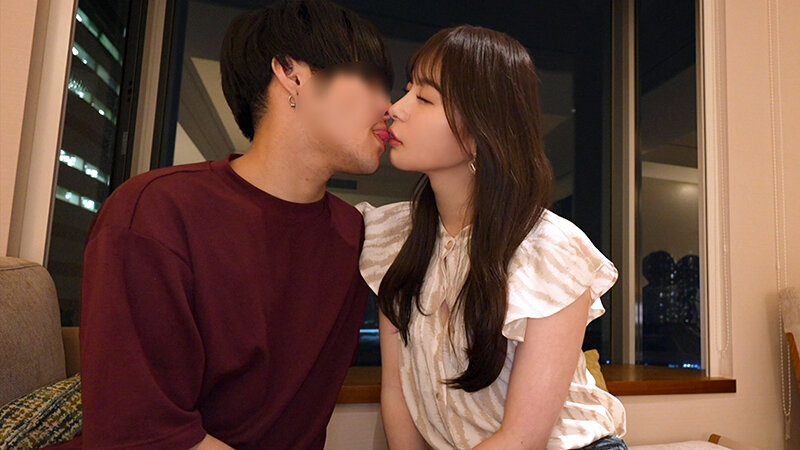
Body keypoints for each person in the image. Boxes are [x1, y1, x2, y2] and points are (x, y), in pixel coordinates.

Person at [73, 0, 393, 448]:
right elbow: (141, 434)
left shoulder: (356, 236)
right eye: (369, 79)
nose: (388, 105)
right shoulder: (156, 213)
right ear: (291, 73)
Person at [359, 25, 628, 449]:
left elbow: (523, 438)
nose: (396, 108)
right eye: (408, 90)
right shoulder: (396, 237)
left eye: (424, 99)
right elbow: (397, 393)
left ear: (480, 130)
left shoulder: (550, 249)